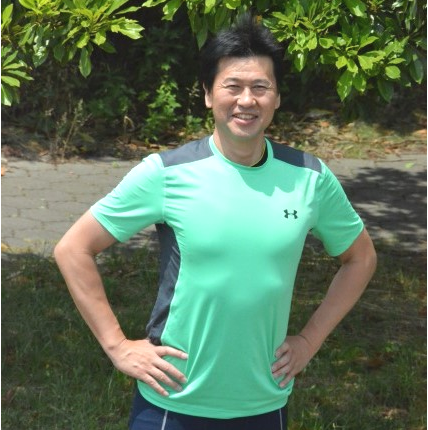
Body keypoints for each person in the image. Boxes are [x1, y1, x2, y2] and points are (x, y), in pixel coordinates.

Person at [54, 13, 377, 430]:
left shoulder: (309, 178)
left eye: (260, 87)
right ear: (208, 94)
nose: (247, 100)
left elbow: (361, 258)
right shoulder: (167, 174)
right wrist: (117, 345)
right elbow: (73, 249)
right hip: (173, 402)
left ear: (277, 97)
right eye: (232, 86)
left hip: (265, 401)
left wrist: (309, 340)